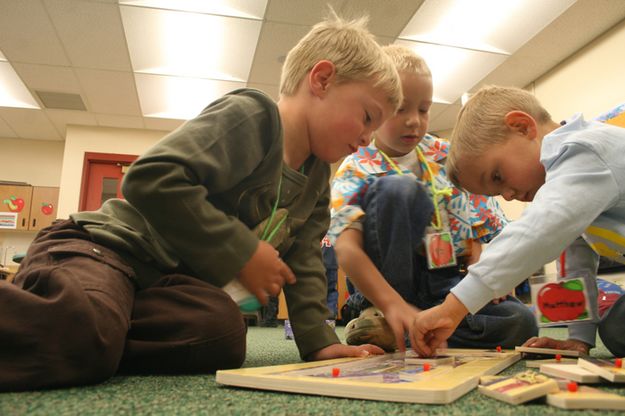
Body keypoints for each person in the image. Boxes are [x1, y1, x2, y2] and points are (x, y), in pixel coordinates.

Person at [0, 13, 403, 391]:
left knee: (222, 332)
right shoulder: (255, 116)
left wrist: (318, 341)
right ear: (322, 79)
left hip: (163, 288)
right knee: (84, 331)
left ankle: (95, 319)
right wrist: (241, 251)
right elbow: (149, 178)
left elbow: (304, 263)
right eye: (367, 117)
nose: (369, 138)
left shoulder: (318, 178)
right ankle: (83, 316)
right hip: (106, 251)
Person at [329, 46, 537, 352]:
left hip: (443, 284)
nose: (414, 120)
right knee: (399, 189)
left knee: (520, 321)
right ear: (374, 109)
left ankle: (403, 332)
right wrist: (391, 302)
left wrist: (487, 279)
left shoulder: (445, 155)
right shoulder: (355, 166)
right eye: (401, 108)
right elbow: (345, 250)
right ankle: (391, 316)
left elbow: (474, 229)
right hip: (384, 288)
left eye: (423, 109)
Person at [411, 85, 625, 358]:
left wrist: (453, 307)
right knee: (617, 328)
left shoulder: (583, 151)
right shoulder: (569, 181)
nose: (509, 196)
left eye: (498, 177)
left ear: (523, 127)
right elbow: (577, 266)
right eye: (498, 194)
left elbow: (537, 233)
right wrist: (578, 339)